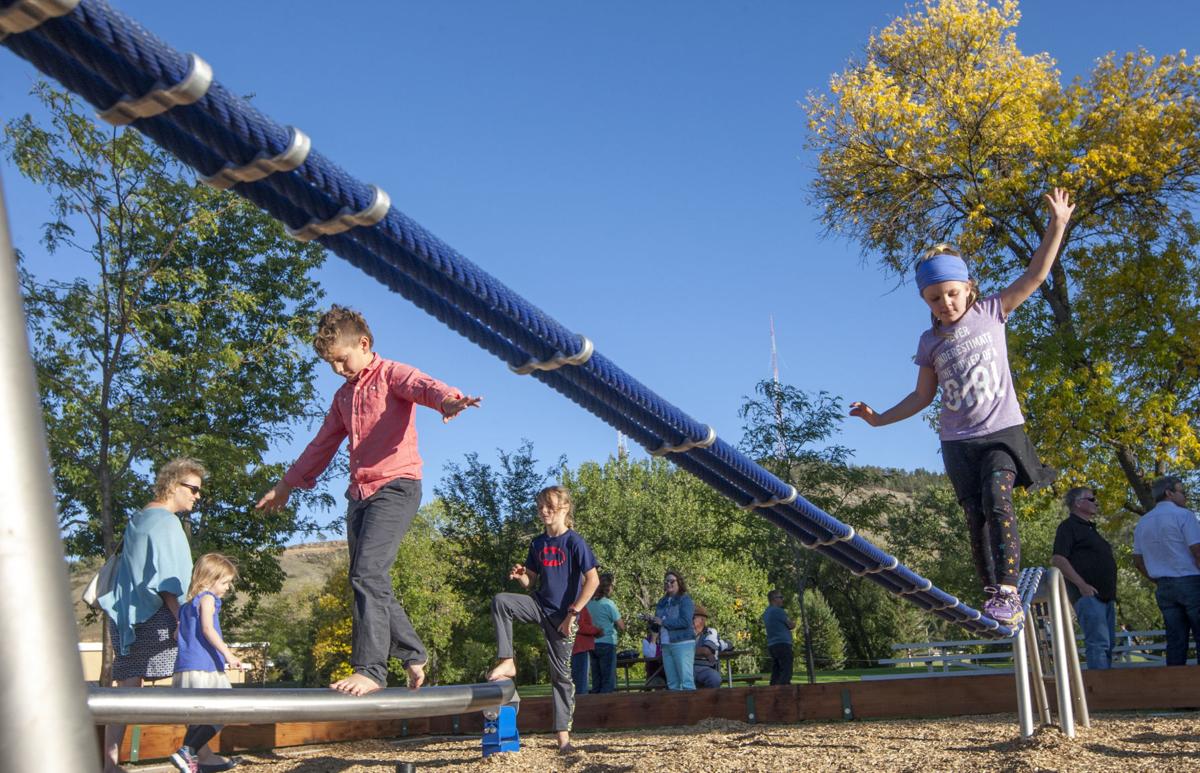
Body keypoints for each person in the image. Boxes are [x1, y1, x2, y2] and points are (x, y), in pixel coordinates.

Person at [850, 189, 1075, 625]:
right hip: (957, 441)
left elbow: (1034, 274)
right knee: (976, 517)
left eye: (952, 294)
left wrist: (1058, 224)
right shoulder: (929, 342)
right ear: (925, 301)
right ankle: (992, 592)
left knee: (997, 498)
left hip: (1002, 433)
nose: (945, 303)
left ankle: (1008, 590)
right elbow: (922, 396)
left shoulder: (992, 312)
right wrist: (878, 420)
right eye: (935, 298)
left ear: (969, 290)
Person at [256, 305, 480, 696]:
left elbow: (424, 386)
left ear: (363, 344)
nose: (338, 370)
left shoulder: (392, 374)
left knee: (367, 575)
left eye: (342, 360)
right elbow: (322, 444)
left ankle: (371, 670)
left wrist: (449, 401)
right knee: (366, 577)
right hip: (359, 493)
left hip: (396, 486)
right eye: (331, 364)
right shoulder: (344, 397)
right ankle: (412, 651)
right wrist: (287, 484)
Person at [98, 458, 203, 773]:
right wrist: (182, 620)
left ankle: (109, 764)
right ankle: (196, 750)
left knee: (128, 688)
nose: (197, 496)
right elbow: (170, 581)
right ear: (173, 484)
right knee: (198, 674)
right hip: (157, 616)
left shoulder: (139, 519)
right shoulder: (166, 521)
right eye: (194, 489)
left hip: (126, 616)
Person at [486, 486, 600, 753]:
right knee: (502, 601)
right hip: (539, 605)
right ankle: (507, 660)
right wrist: (521, 575)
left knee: (561, 676)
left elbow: (592, 580)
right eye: (540, 507)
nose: (543, 511)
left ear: (564, 508)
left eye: (549, 506)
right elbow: (531, 581)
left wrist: (573, 613)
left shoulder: (574, 542)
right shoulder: (538, 543)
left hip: (563, 617)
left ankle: (563, 739)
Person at [169, 554, 244, 773]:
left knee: (197, 718)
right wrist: (228, 654)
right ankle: (187, 750)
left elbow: (176, 634)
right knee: (225, 709)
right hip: (206, 666)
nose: (227, 588)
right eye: (225, 582)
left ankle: (192, 759)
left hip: (185, 668)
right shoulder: (208, 599)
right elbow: (207, 629)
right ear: (208, 579)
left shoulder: (185, 607)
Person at [1133, 476, 1200, 666]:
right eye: (1182, 491)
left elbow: (1138, 560)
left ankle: (1175, 689)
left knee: (1175, 640)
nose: (1185, 496)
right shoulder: (1184, 515)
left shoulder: (1143, 522)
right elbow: (1197, 550)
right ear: (1169, 493)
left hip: (1163, 585)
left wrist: (1156, 579)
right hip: (1190, 580)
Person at [1052, 487, 1118, 670]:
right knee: (1098, 643)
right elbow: (1058, 559)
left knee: (1109, 644)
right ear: (1078, 503)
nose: (1096, 502)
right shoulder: (1068, 527)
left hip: (1105, 596)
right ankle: (1099, 690)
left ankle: (1105, 684)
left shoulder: (1090, 529)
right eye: (1091, 499)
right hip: (1088, 596)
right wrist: (1082, 586)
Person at [654, 570, 695, 690]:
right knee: (672, 684)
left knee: (686, 682)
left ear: (679, 582)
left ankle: (693, 708)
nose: (668, 584)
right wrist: (652, 622)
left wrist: (664, 622)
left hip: (682, 643)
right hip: (666, 645)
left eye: (672, 581)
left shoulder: (685, 600)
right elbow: (658, 623)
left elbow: (686, 622)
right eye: (666, 581)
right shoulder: (662, 602)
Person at [586, 572, 625, 693]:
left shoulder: (588, 603)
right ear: (608, 588)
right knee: (608, 679)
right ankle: (607, 707)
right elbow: (622, 626)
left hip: (592, 643)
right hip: (607, 643)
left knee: (596, 679)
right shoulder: (609, 604)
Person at [762, 590, 796, 685]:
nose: (782, 599)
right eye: (780, 597)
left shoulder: (766, 613)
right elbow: (790, 625)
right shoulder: (778, 611)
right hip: (783, 644)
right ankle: (784, 691)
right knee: (786, 669)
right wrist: (794, 622)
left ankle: (772, 691)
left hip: (772, 645)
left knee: (776, 670)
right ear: (774, 599)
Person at [569, 605, 602, 694]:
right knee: (581, 683)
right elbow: (578, 625)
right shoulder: (577, 604)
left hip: (578, 647)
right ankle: (581, 705)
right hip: (580, 647)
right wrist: (596, 630)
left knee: (578, 681)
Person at [692, 605, 723, 689]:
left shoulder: (710, 632)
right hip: (686, 668)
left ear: (702, 620)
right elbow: (705, 652)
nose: (689, 621)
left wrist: (685, 652)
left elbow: (707, 649)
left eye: (693, 618)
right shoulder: (684, 633)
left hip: (704, 668)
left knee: (714, 678)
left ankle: (710, 701)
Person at [640, 624, 666, 690]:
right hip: (653, 672)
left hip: (665, 671)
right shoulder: (646, 641)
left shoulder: (665, 639)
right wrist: (653, 639)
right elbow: (651, 655)